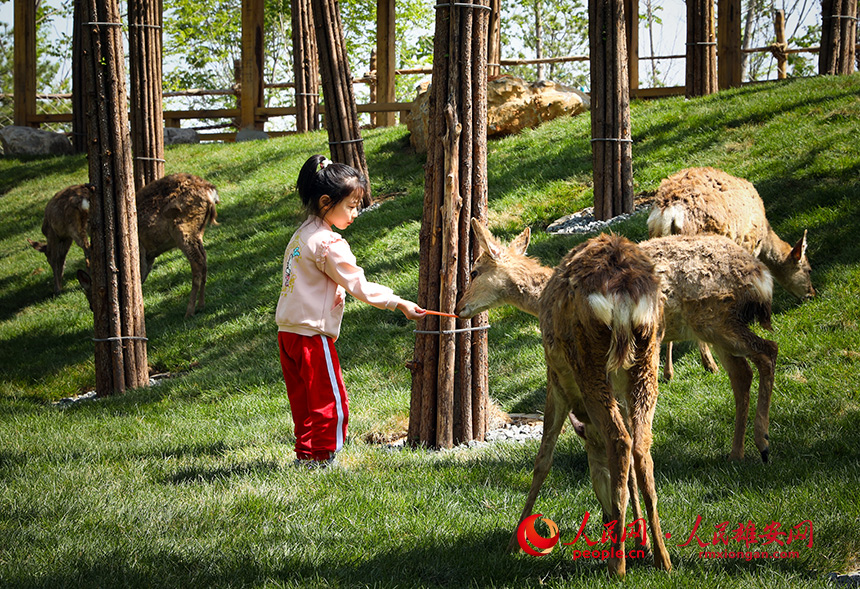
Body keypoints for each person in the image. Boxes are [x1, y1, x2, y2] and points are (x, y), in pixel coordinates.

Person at [276, 154, 425, 468]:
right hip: (312, 336)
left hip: (288, 333)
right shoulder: (329, 244)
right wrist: (398, 302)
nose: (356, 213)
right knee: (330, 399)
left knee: (303, 400)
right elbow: (359, 285)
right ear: (326, 202)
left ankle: (306, 454)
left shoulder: (301, 235)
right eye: (352, 205)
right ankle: (323, 457)